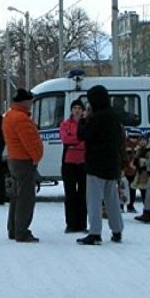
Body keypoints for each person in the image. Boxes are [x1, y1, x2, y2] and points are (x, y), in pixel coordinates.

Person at [76, 85, 124, 245]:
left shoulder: (96, 118)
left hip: (96, 164)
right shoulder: (114, 116)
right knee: (112, 199)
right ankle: (117, 230)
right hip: (112, 163)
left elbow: (82, 135)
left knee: (94, 200)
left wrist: (83, 119)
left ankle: (95, 232)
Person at [2, 88, 43, 243]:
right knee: (26, 198)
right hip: (24, 161)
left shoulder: (9, 116)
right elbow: (29, 142)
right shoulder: (21, 119)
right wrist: (37, 156)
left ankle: (13, 228)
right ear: (24, 101)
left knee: (16, 197)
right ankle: (22, 231)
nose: (31, 104)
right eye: (30, 101)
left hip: (14, 159)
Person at [59, 99, 87, 233]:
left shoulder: (86, 124)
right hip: (68, 163)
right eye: (75, 108)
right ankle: (70, 224)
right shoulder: (65, 124)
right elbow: (65, 139)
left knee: (83, 194)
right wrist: (79, 139)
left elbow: (88, 140)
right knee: (70, 195)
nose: (77, 110)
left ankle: (82, 224)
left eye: (79, 108)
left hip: (83, 162)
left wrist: (75, 141)